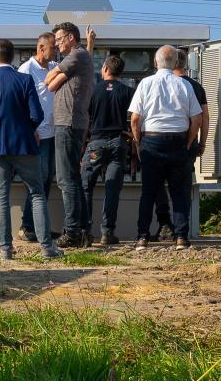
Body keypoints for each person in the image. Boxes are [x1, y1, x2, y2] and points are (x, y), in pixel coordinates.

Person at [0, 40, 63, 260]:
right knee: (38, 193)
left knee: (1, 197)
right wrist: (26, 130)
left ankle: (5, 249)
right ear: (12, 58)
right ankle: (47, 248)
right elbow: (37, 115)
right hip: (24, 146)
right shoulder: (25, 80)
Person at [129, 45, 202, 251]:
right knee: (179, 191)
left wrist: (137, 142)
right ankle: (181, 237)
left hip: (151, 140)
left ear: (155, 62)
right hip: (178, 140)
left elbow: (135, 118)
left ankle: (142, 237)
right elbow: (196, 119)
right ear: (176, 63)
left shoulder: (145, 83)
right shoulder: (184, 85)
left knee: (149, 192)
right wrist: (188, 142)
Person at [45, 21, 95, 248]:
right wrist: (57, 76)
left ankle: (73, 231)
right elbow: (52, 82)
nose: (56, 44)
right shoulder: (80, 57)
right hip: (71, 124)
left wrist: (57, 75)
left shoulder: (77, 56)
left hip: (68, 124)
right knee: (72, 178)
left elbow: (49, 83)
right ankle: (82, 230)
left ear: (71, 38)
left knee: (66, 180)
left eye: (59, 39)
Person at [153, 49, 210, 239]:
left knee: (158, 182)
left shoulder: (157, 83)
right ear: (185, 64)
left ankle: (164, 223)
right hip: (188, 143)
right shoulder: (196, 86)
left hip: (159, 141)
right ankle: (181, 230)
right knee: (182, 187)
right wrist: (201, 143)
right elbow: (204, 118)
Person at [82, 54, 134, 245]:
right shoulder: (128, 91)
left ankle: (85, 231)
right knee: (112, 188)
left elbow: (85, 120)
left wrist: (82, 148)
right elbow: (136, 116)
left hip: (96, 144)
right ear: (120, 72)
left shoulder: (93, 91)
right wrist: (132, 135)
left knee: (85, 184)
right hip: (118, 145)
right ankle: (107, 233)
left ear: (104, 69)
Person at [16, 32, 58, 242]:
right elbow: (20, 103)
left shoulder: (53, 67)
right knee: (37, 180)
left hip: (51, 133)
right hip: (37, 134)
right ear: (41, 48)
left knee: (47, 178)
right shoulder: (26, 69)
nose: (56, 51)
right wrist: (30, 129)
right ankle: (27, 226)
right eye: (53, 47)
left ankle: (39, 226)